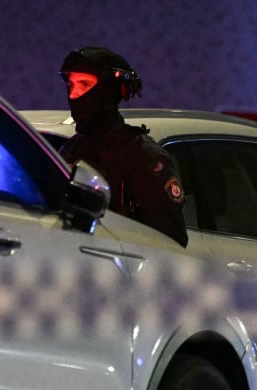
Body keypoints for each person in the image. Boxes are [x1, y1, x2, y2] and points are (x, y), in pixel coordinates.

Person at [57, 46, 188, 247]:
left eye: (84, 84)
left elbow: (170, 242)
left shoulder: (144, 158)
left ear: (109, 90)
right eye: (70, 85)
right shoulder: (71, 150)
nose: (74, 94)